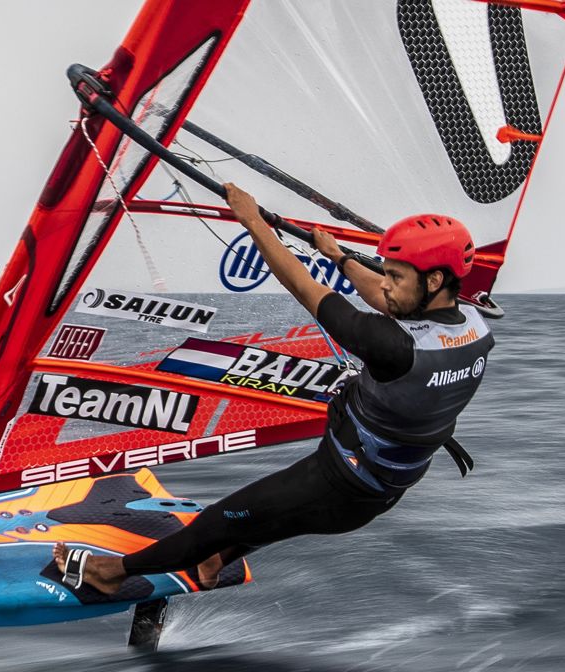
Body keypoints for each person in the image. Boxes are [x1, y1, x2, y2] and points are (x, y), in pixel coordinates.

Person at [53, 183, 494, 594]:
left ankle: (109, 573)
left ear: (434, 281)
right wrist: (340, 257)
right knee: (275, 518)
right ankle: (214, 563)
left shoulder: (393, 346)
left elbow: (303, 286)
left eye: (396, 276)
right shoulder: (473, 326)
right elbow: (385, 300)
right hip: (379, 488)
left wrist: (253, 222)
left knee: (219, 520)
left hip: (337, 483)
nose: (385, 284)